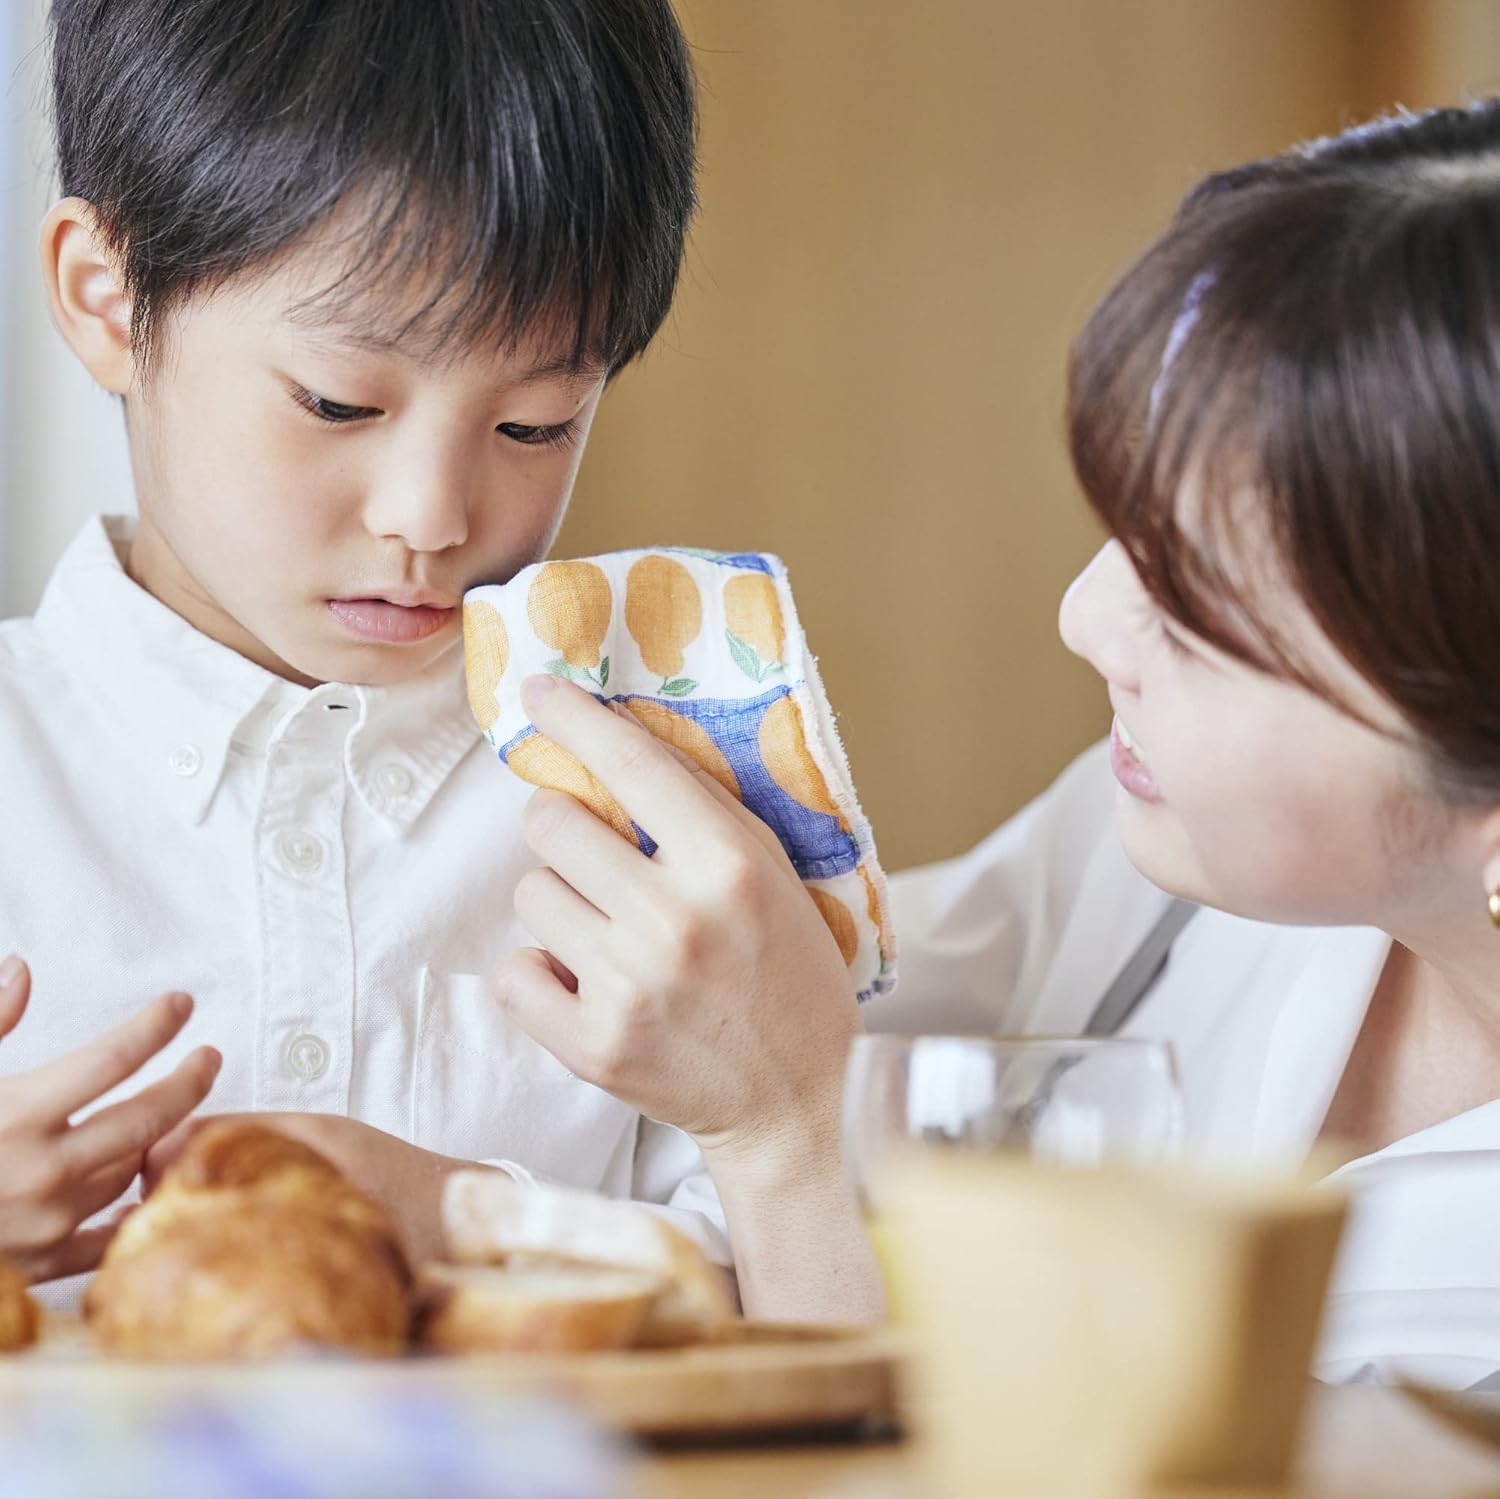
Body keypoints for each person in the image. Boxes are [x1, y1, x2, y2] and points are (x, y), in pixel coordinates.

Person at [506, 98, 1500, 1381]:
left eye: (1196, 617)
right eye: (1130, 536)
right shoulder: (1162, 852)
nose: (1086, 619)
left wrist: (784, 1139)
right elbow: (775, 1019)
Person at [0, 0, 857, 1310]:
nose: (435, 516)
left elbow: (840, 1352)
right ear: (106, 298)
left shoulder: (667, 803)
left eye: (534, 423)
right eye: (341, 402)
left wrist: (480, 1222)